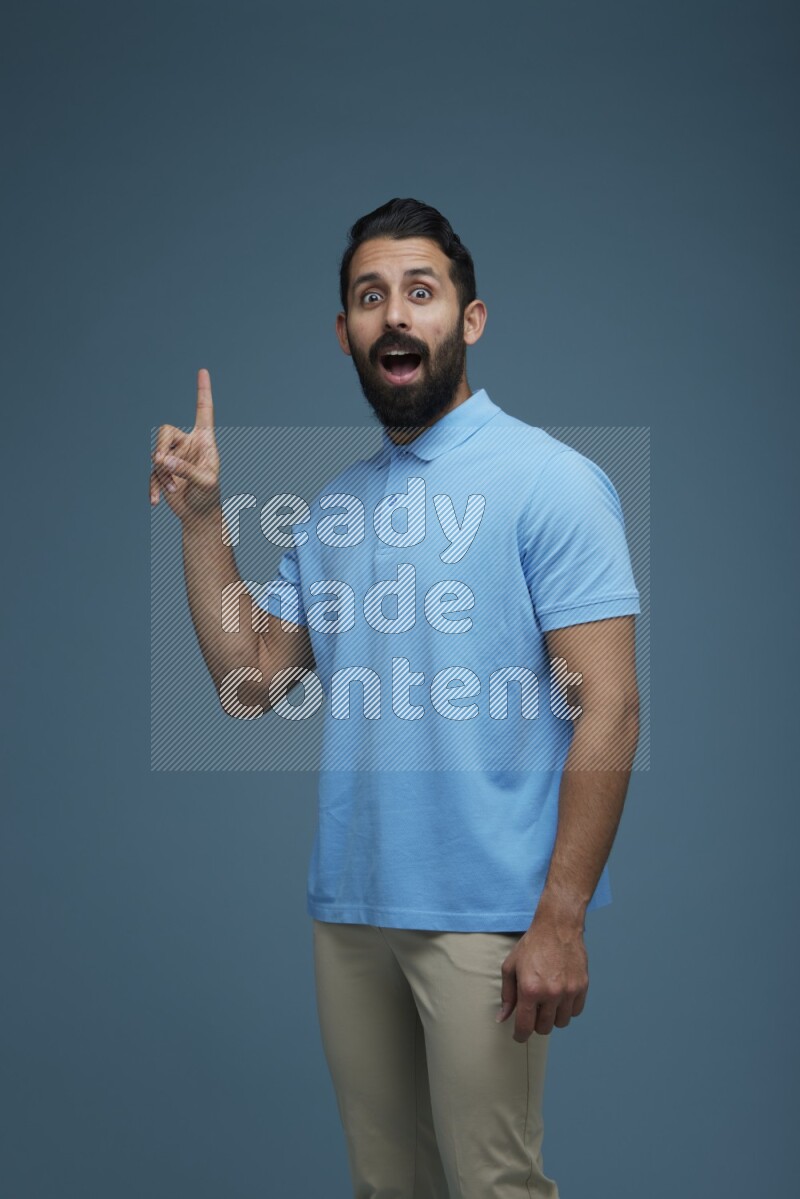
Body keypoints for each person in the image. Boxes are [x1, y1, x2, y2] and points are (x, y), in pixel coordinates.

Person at [149, 197, 641, 1198]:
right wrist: (201, 521)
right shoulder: (333, 509)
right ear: (346, 334)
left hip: (486, 918)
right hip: (350, 911)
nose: (395, 314)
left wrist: (559, 917)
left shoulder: (551, 481)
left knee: (493, 1186)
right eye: (370, 296)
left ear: (468, 318)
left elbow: (611, 708)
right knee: (387, 1190)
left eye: (421, 291)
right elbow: (250, 683)